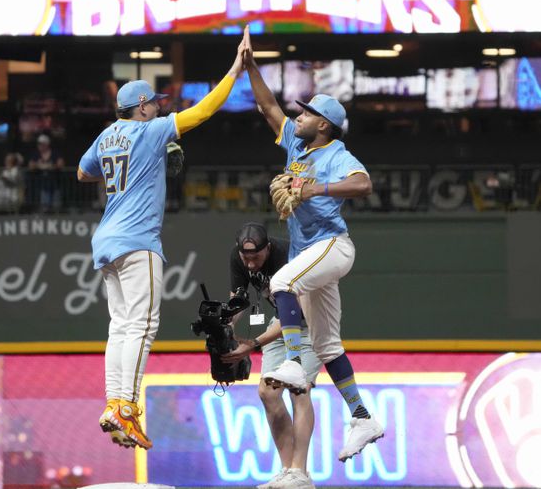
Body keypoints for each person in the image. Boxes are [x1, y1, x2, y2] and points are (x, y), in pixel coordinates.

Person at [76, 33, 248, 450]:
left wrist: (126, 167)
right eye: (153, 102)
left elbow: (83, 173)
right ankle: (126, 407)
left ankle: (114, 402)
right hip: (137, 241)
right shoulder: (149, 131)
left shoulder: (106, 135)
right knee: (142, 326)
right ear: (140, 108)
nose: (158, 105)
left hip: (106, 240)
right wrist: (236, 69)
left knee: (120, 327)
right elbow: (204, 110)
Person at [242, 26, 384, 463]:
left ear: (323, 124)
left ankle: (293, 360)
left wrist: (313, 190)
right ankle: (363, 417)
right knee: (329, 346)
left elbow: (363, 184)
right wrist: (250, 65)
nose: (296, 116)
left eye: (304, 114)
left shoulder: (334, 151)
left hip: (332, 245)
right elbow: (267, 106)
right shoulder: (296, 147)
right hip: (315, 256)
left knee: (281, 283)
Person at [222, 223, 321, 489]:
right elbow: (238, 298)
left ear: (268, 248)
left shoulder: (289, 256)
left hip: (311, 324)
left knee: (299, 390)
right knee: (267, 392)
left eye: (256, 257)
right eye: (246, 258)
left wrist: (253, 343)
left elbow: (296, 313)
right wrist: (224, 327)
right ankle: (288, 471)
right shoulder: (239, 257)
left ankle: (300, 472)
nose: (251, 264)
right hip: (280, 321)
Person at [28, 134, 64, 213]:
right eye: (39, 144)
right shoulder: (36, 154)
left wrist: (51, 166)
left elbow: (60, 164)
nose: (39, 146)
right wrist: (39, 165)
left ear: (47, 144)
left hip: (55, 183)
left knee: (56, 205)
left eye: (41, 144)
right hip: (43, 184)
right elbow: (30, 165)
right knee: (45, 205)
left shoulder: (55, 153)